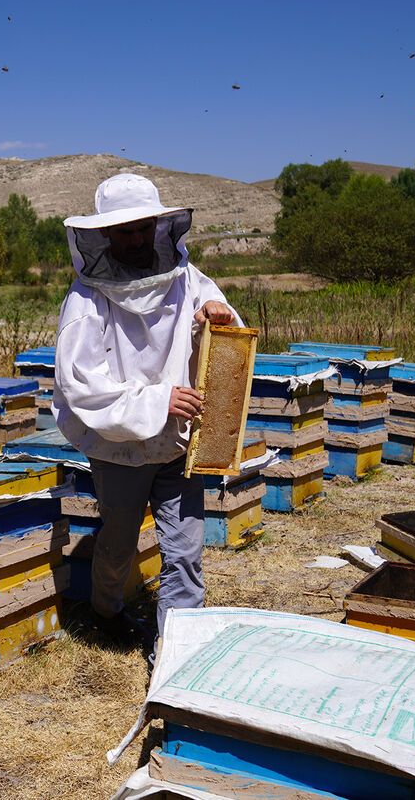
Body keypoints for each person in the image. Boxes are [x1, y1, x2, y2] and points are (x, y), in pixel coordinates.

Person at [53, 174, 239, 652]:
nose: (135, 240)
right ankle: (107, 612)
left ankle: (175, 650)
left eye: (142, 229)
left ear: (159, 227)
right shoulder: (86, 299)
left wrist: (217, 315)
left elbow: (230, 337)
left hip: (179, 442)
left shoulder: (189, 280)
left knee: (185, 552)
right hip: (119, 448)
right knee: (118, 542)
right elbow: (83, 387)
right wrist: (158, 401)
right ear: (105, 235)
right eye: (124, 231)